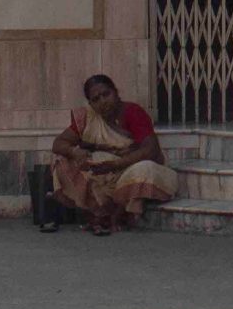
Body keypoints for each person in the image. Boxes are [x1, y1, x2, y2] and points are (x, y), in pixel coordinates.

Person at [48, 74, 178, 235]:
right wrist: (74, 152)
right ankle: (100, 213)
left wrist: (116, 164)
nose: (103, 101)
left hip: (130, 168)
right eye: (96, 99)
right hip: (102, 173)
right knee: (62, 162)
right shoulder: (88, 118)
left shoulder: (132, 112)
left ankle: (119, 214)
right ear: (91, 104)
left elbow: (151, 150)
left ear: (116, 92)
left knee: (145, 169)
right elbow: (58, 143)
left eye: (106, 94)